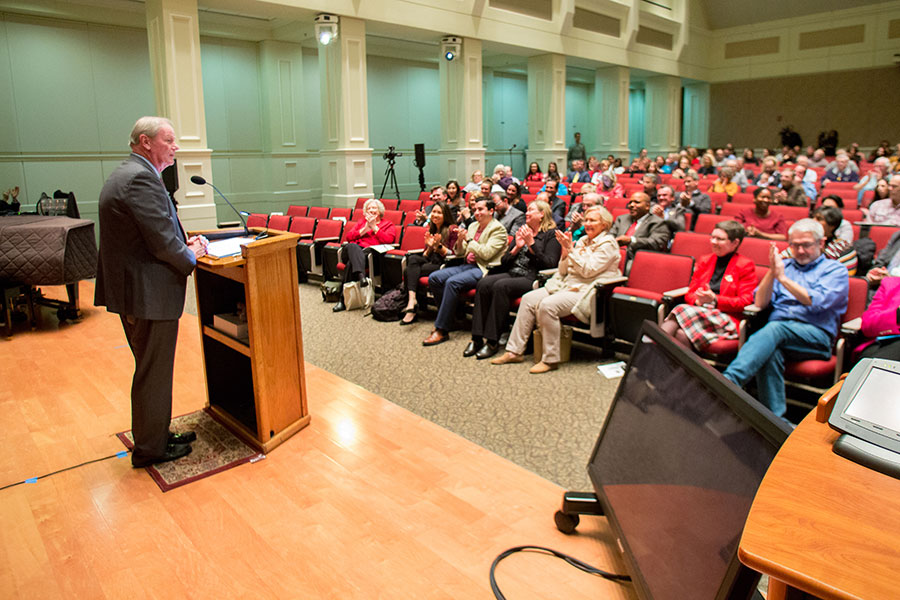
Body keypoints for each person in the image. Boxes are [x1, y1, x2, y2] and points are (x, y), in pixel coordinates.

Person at [94, 116, 208, 468]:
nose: (176, 147)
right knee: (153, 370)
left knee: (151, 368)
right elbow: (160, 242)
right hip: (148, 294)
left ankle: (156, 432)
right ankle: (150, 448)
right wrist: (191, 253)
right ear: (146, 142)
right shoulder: (141, 178)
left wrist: (180, 240)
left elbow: (149, 231)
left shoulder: (128, 173)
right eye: (169, 140)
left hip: (136, 289)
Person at [722, 219, 849, 417]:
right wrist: (772, 273)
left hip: (816, 336)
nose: (800, 251)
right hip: (779, 335)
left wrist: (782, 279)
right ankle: (775, 419)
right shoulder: (785, 267)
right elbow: (760, 303)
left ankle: (728, 382)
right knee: (770, 351)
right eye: (794, 245)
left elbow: (815, 301)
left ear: (821, 243)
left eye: (806, 245)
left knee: (775, 329)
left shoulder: (835, 270)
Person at [491, 205, 620, 373]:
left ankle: (550, 359)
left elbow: (588, 271)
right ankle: (514, 351)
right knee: (529, 299)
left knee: (547, 305)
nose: (587, 224)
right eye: (586, 220)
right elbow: (563, 270)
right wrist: (565, 254)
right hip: (566, 284)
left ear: (604, 224)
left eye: (593, 220)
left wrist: (571, 250)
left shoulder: (608, 244)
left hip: (585, 290)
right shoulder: (582, 241)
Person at [466, 201, 561, 360]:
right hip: (513, 272)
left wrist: (531, 244)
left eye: (531, 210)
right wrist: (516, 247)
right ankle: (476, 338)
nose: (527, 213)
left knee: (500, 286)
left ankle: (492, 341)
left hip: (533, 277)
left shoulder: (552, 234)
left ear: (542, 214)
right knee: (484, 283)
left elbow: (549, 264)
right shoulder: (523, 230)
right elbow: (504, 261)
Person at [661, 221, 757, 350]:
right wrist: (697, 301)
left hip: (725, 318)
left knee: (679, 310)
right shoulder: (705, 260)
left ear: (735, 243)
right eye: (712, 237)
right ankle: (682, 370)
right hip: (698, 313)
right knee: (680, 334)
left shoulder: (745, 265)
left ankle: (646, 355)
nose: (713, 242)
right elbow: (690, 292)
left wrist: (715, 300)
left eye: (720, 239)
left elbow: (746, 301)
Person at [423, 198, 507, 346]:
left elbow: (486, 253)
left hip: (483, 268)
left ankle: (441, 329)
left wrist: (468, 239)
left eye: (481, 209)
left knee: (452, 282)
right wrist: (460, 242)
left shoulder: (498, 229)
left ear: (491, 211)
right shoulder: (473, 226)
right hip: (466, 264)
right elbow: (460, 252)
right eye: (475, 210)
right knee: (434, 278)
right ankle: (454, 316)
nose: (477, 212)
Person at [332, 199, 397, 312]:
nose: (371, 210)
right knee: (352, 246)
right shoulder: (361, 223)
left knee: (350, 265)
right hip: (352, 252)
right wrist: (364, 229)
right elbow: (349, 237)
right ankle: (361, 275)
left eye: (374, 208)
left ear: (380, 211)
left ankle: (342, 300)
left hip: (370, 255)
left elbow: (388, 239)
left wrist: (374, 228)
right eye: (369, 208)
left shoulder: (388, 224)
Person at [400, 201, 459, 325]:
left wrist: (438, 247)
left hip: (445, 264)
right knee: (413, 259)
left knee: (408, 271)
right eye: (433, 212)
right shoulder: (432, 228)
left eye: (439, 212)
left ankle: (413, 306)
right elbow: (425, 255)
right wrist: (430, 247)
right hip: (432, 260)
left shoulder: (452, 229)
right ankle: (413, 300)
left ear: (445, 215)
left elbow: (455, 254)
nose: (435, 215)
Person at [609, 192, 671, 267]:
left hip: (636, 259)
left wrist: (631, 240)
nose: (631, 205)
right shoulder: (622, 219)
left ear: (647, 206)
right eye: (630, 202)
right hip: (614, 254)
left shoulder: (658, 222)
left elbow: (656, 243)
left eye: (636, 202)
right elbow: (611, 235)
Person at [856, 277, 900, 361]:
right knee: (870, 360)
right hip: (882, 344)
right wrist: (897, 315)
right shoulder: (891, 284)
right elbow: (867, 325)